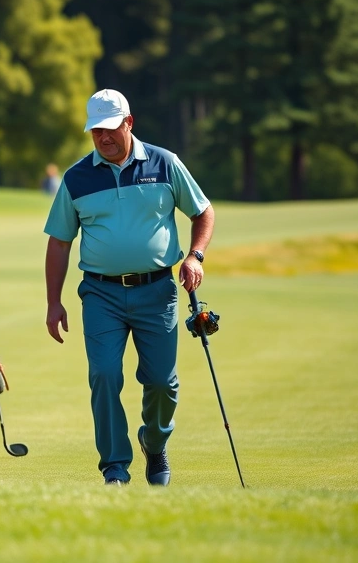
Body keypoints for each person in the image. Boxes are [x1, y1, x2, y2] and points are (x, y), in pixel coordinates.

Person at [43, 89, 215, 486]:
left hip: (157, 292)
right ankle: (115, 468)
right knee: (104, 375)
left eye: (110, 129)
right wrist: (54, 302)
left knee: (161, 383)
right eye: (96, 131)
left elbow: (202, 211)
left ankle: (154, 444)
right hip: (101, 295)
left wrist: (195, 256)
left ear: (129, 123)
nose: (103, 138)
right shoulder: (76, 177)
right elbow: (59, 241)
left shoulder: (164, 163)